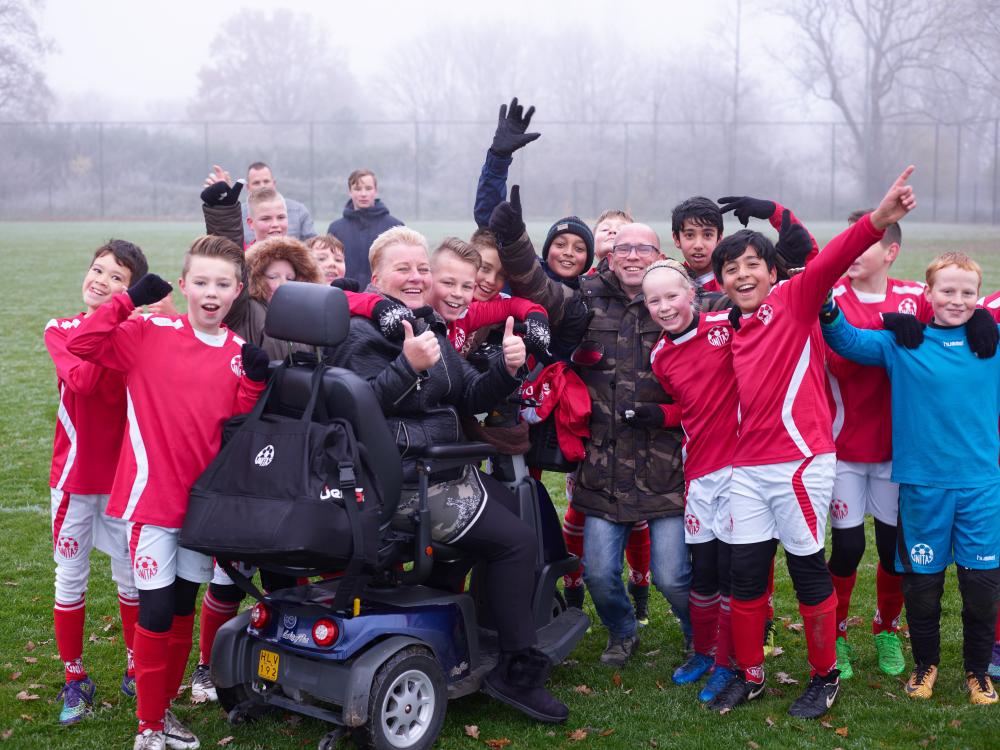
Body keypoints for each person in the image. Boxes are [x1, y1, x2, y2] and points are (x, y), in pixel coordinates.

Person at [326, 225, 569, 724]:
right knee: (516, 543)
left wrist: (507, 367)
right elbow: (360, 415)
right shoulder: (361, 332)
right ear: (376, 275)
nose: (415, 277)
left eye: (421, 269)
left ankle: (469, 624)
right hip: (406, 485)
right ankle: (516, 669)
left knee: (514, 510)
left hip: (441, 471)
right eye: (403, 268)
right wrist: (408, 368)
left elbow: (469, 392)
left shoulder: (423, 322)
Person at [705, 168, 917, 719]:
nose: (743, 274)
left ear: (774, 272)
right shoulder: (729, 325)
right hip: (745, 468)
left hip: (800, 462)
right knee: (746, 575)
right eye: (731, 268)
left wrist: (877, 220)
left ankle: (825, 677)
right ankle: (750, 674)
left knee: (806, 569)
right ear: (721, 282)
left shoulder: (797, 300)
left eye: (753, 264)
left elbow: (828, 258)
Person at [490, 185, 714, 667]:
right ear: (608, 256)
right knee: (597, 574)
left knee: (673, 575)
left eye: (643, 248)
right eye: (622, 248)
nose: (632, 256)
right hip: (601, 468)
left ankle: (699, 633)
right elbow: (536, 282)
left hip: (665, 471)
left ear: (660, 255)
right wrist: (512, 238)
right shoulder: (582, 298)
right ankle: (622, 630)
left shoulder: (682, 298)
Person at [67, 236, 268, 750]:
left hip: (202, 512)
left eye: (222, 284)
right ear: (182, 286)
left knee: (181, 609)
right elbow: (83, 344)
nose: (210, 291)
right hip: (151, 503)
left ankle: (163, 713)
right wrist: (126, 299)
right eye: (200, 281)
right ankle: (147, 729)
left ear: (237, 292)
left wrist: (254, 385)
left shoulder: (239, 353)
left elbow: (241, 426)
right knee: (154, 613)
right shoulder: (149, 331)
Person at [821, 251, 1000, 705]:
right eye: (947, 291)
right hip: (921, 488)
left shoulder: (990, 342)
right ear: (928, 294)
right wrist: (826, 307)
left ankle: (979, 672)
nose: (957, 300)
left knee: (980, 590)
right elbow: (846, 341)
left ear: (979, 297)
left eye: (967, 293)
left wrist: (988, 324)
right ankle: (925, 666)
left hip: (980, 487)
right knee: (924, 587)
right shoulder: (905, 342)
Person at [820, 209, 932, 680]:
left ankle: (887, 628)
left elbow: (958, 317)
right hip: (844, 449)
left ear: (891, 252)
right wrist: (887, 331)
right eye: (846, 241)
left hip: (896, 453)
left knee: (892, 552)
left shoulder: (916, 298)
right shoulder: (830, 299)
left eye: (862, 244)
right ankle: (838, 635)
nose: (851, 251)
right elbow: (840, 354)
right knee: (847, 550)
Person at [45, 239, 150, 724]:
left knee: (130, 579)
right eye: (97, 270)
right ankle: (74, 679)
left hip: (125, 480)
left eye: (117, 278)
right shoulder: (61, 329)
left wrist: (125, 319)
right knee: (70, 578)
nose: (101, 281)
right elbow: (84, 381)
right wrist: (117, 315)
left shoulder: (137, 336)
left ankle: (135, 669)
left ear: (131, 293)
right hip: (72, 480)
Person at [639, 258, 738, 696]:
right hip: (698, 473)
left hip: (741, 471)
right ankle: (704, 650)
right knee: (704, 573)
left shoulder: (727, 325)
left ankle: (729, 661)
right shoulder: (660, 356)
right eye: (653, 299)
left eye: (672, 295)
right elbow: (689, 409)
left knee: (734, 573)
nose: (664, 306)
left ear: (692, 294)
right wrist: (657, 414)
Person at [198, 161, 314, 244]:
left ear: (274, 183)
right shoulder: (235, 212)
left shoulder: (299, 210)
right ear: (248, 187)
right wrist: (223, 208)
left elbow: (312, 246)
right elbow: (226, 245)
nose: (262, 186)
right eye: (256, 183)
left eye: (266, 181)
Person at [326, 169, 404, 288]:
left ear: (375, 191)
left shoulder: (395, 227)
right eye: (357, 189)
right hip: (346, 297)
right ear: (350, 192)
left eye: (368, 188)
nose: (363, 194)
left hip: (382, 298)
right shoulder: (336, 228)